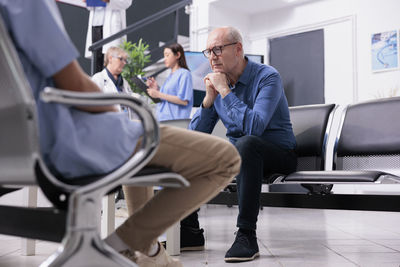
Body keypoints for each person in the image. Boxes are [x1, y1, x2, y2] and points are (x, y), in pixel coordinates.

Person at [0, 2, 241, 267]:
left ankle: (148, 253)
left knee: (137, 144)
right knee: (226, 159)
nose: (124, 62)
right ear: (109, 60)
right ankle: (122, 245)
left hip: (12, 147)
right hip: (68, 137)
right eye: (121, 59)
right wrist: (114, 110)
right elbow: (74, 85)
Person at [189, 26, 297, 263]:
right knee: (191, 151)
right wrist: (209, 99)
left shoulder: (268, 77)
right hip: (241, 156)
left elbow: (254, 128)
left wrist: (225, 91)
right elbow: (195, 136)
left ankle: (246, 235)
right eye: (208, 51)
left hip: (278, 155)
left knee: (247, 143)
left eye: (217, 49)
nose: (212, 57)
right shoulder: (217, 84)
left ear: (238, 49)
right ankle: (189, 231)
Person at [146, 43, 193, 121]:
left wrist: (158, 94)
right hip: (163, 120)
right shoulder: (170, 76)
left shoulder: (184, 74)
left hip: (175, 122)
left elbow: (184, 101)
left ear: (177, 55)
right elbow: (166, 98)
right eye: (164, 56)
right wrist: (156, 89)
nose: (165, 59)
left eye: (167, 55)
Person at [84, 0, 132, 73]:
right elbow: (90, 7)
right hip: (95, 26)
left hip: (111, 27)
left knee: (112, 66)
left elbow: (127, 2)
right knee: (96, 66)